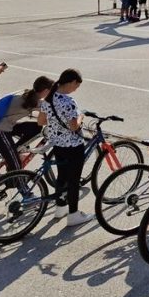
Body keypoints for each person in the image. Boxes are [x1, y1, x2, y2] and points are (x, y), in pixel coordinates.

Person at [37, 68, 92, 226]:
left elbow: (41, 121)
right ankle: (73, 214)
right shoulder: (69, 102)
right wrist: (80, 116)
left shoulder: (48, 98)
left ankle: (60, 208)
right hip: (73, 145)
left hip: (58, 144)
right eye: (77, 86)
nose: (76, 89)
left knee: (61, 177)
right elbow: (74, 126)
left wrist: (55, 122)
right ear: (72, 82)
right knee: (74, 181)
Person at [0, 76, 53, 172]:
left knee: (35, 127)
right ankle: (14, 176)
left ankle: (16, 149)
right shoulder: (31, 101)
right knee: (16, 167)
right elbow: (45, 115)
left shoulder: (26, 93)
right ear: (46, 91)